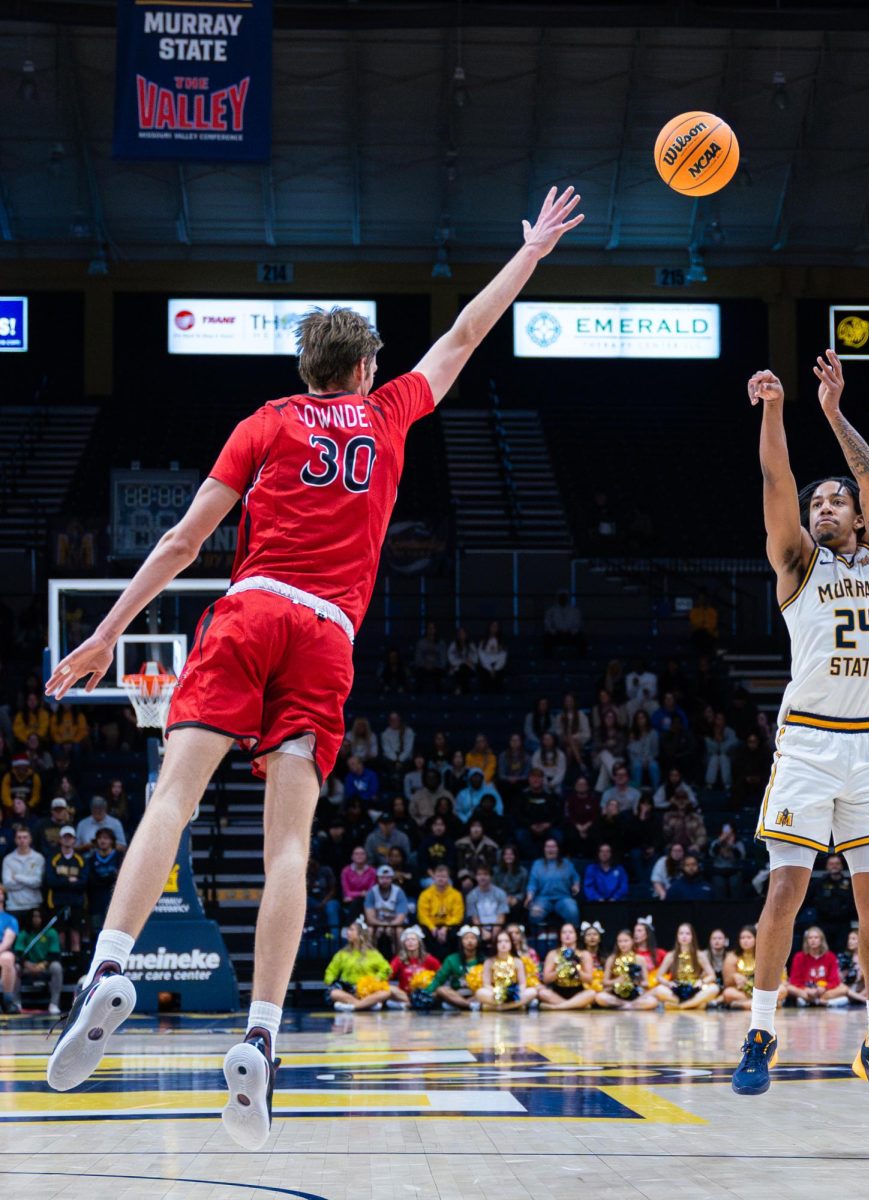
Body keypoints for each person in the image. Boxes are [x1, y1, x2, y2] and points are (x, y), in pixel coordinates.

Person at [41, 185, 585, 1144]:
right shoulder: (389, 414)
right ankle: (259, 1034)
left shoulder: (265, 422)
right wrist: (531, 250)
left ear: (306, 365)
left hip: (250, 610)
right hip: (328, 631)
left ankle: (112, 967)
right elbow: (463, 334)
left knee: (173, 798)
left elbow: (178, 542)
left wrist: (108, 633)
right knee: (287, 846)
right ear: (367, 364)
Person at [732, 352, 869, 1107]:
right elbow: (778, 485)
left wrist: (833, 414)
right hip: (807, 741)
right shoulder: (799, 564)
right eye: (820, 505)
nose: (826, 508)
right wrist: (775, 411)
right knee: (785, 891)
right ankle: (761, 1031)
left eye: (838, 502)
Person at [324, 920, 393, 1012]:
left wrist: (376, 980)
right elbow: (331, 971)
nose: (348, 933)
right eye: (348, 930)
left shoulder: (373, 954)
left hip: (367, 991)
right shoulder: (342, 954)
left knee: (386, 993)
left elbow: (386, 969)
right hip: (348, 990)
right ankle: (366, 1004)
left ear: (361, 935)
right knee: (333, 993)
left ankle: (353, 1006)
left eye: (352, 930)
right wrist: (331, 981)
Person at [652, 922, 720, 1010]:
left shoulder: (699, 955)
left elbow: (712, 975)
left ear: (692, 937)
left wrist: (702, 982)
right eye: (681, 933)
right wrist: (668, 983)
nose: (684, 936)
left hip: (694, 989)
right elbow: (659, 976)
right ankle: (695, 1005)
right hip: (677, 989)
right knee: (659, 990)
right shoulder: (671, 955)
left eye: (687, 934)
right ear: (677, 936)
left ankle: (681, 1006)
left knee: (714, 988)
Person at [13, 907, 64, 1015]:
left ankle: (54, 1004)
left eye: (38, 916)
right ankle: (16, 1003)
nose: (36, 919)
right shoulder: (24, 933)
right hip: (27, 966)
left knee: (57, 967)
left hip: (45, 966)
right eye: (34, 917)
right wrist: (27, 965)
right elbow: (18, 953)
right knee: (16, 967)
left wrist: (42, 965)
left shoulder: (51, 932)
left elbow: (54, 954)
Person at [45, 826, 88, 954]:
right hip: (57, 901)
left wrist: (63, 881)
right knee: (60, 932)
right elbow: (51, 881)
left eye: (70, 837)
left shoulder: (81, 860)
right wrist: (70, 881)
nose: (67, 840)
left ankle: (76, 962)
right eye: (65, 837)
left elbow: (84, 882)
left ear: (74, 840)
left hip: (77, 902)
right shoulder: (53, 858)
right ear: (60, 840)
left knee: (76, 932)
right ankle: (61, 959)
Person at [594, 928, 659, 1011]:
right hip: (616, 994)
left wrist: (637, 982)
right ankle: (624, 1004)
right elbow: (605, 982)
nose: (622, 944)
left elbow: (646, 983)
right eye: (620, 941)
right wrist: (618, 980)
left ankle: (628, 1005)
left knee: (652, 1001)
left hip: (635, 994)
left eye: (626, 941)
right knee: (599, 997)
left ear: (632, 941)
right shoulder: (612, 959)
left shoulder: (640, 959)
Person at [422, 925, 484, 1011]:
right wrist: (426, 993)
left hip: (477, 994)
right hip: (456, 994)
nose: (469, 941)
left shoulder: (484, 960)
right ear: (461, 941)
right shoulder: (451, 959)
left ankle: (460, 1005)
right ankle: (469, 1005)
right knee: (441, 990)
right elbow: (439, 979)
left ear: (478, 941)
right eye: (466, 938)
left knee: (484, 993)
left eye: (473, 938)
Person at [536, 922, 595, 1010]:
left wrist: (576, 969)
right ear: (560, 936)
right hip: (558, 990)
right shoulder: (553, 954)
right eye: (564, 932)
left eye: (570, 932)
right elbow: (546, 979)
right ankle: (576, 1006)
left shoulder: (584, 954)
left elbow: (589, 979)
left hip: (578, 991)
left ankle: (556, 1007)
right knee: (542, 993)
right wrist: (560, 969)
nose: (567, 935)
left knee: (591, 993)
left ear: (576, 936)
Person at [474, 927, 536, 1011]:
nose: (503, 944)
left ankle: (497, 1008)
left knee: (532, 991)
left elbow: (522, 984)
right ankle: (515, 1006)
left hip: (514, 993)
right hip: (495, 993)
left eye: (506, 941)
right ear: (496, 944)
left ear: (511, 944)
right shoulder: (489, 962)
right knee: (480, 992)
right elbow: (486, 984)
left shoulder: (518, 961)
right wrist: (498, 992)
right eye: (500, 941)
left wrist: (516, 993)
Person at [786, 926, 849, 1007]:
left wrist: (824, 988)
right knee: (789, 987)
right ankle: (823, 1002)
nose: (813, 940)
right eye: (810, 938)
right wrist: (806, 989)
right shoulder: (799, 957)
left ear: (821, 940)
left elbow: (834, 980)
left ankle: (811, 1001)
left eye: (816, 937)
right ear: (806, 941)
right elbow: (795, 980)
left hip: (824, 990)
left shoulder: (830, 956)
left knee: (844, 989)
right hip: (806, 989)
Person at [525, 838, 581, 929]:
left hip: (563, 898)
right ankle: (537, 940)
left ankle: (574, 937)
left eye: (553, 847)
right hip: (543, 899)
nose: (550, 849)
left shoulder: (567, 863)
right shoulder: (537, 864)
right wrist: (529, 896)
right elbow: (532, 883)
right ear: (544, 849)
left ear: (558, 849)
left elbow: (575, 877)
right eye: (548, 847)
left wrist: (576, 885)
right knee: (534, 914)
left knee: (572, 911)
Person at [809, 854, 856, 953]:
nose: (834, 866)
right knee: (823, 953)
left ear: (842, 866)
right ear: (826, 866)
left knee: (842, 954)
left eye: (837, 864)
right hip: (823, 924)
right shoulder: (818, 883)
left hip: (843, 925)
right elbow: (807, 901)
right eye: (831, 864)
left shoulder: (851, 884)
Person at [417, 863, 465, 953]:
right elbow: (422, 915)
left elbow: (458, 916)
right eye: (438, 876)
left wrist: (446, 927)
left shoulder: (456, 895)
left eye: (444, 876)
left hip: (449, 925)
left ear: (448, 878)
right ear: (433, 877)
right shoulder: (425, 894)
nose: (441, 879)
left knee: (456, 933)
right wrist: (432, 927)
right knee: (423, 933)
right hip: (431, 925)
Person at [386, 925, 440, 1005]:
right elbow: (388, 975)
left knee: (441, 990)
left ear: (419, 942)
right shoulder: (399, 960)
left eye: (413, 939)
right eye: (407, 940)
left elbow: (441, 975)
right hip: (405, 994)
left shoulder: (429, 959)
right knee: (388, 988)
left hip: (425, 993)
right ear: (404, 944)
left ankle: (416, 1002)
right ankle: (410, 1003)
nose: (410, 942)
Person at [363, 864, 409, 955]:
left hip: (395, 924)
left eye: (387, 878)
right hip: (376, 923)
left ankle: (400, 958)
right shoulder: (372, 892)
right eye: (382, 878)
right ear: (377, 878)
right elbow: (370, 918)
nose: (385, 880)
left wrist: (389, 925)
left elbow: (400, 919)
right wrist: (383, 925)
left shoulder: (399, 892)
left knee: (399, 931)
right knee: (369, 930)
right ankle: (369, 957)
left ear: (392, 879)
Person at [84, 827, 123, 933]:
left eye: (106, 838)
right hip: (96, 901)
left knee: (114, 930)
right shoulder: (91, 859)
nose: (102, 841)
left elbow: (120, 879)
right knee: (96, 931)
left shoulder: (120, 857)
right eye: (100, 838)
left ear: (112, 841)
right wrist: (109, 877)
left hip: (114, 900)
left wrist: (104, 879)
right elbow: (90, 880)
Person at [2, 826, 45, 918]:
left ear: (30, 839)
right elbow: (7, 884)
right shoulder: (8, 859)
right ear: (15, 840)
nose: (22, 840)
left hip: (34, 904)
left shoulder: (38, 858)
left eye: (25, 837)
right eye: (19, 837)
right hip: (13, 906)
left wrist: (17, 877)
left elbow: (38, 882)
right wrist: (29, 881)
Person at [464, 865, 509, 944]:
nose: (482, 877)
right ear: (476, 877)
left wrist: (494, 935)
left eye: (485, 874)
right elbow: (474, 918)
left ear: (490, 876)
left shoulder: (500, 893)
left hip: (498, 929)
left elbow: (501, 917)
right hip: (479, 929)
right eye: (479, 874)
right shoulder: (471, 896)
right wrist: (483, 932)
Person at [543, 592, 586, 658]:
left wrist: (572, 631)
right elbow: (547, 624)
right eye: (561, 597)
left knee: (582, 639)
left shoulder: (575, 611)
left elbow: (578, 624)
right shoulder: (551, 610)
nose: (563, 599)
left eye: (564, 597)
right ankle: (548, 660)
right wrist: (554, 632)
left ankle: (581, 660)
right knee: (546, 640)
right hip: (556, 634)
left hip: (571, 634)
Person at [626, 709, 661, 791]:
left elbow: (655, 752)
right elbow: (631, 753)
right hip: (636, 759)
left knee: (654, 766)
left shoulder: (653, 733)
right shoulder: (632, 734)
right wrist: (640, 761)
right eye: (638, 718)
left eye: (642, 718)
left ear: (646, 719)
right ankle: (636, 791)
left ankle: (656, 791)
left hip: (650, 759)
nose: (641, 720)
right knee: (636, 766)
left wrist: (647, 760)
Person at [493, 845, 528, 924]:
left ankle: (515, 929)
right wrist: (503, 898)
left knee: (517, 907)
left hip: (515, 898)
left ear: (515, 856)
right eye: (506, 854)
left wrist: (515, 898)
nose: (508, 856)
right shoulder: (496, 870)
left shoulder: (523, 872)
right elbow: (494, 889)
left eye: (511, 854)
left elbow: (523, 892)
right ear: (502, 856)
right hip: (500, 898)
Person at [0, 885, 19, 1014]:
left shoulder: (10, 919)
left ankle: (7, 1000)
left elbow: (7, 941)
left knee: (7, 958)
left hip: (1, 951)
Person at [412, 621, 445, 693]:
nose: (431, 630)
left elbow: (443, 660)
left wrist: (434, 665)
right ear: (426, 630)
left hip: (436, 668)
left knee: (439, 677)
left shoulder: (440, 643)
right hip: (423, 668)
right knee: (418, 675)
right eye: (429, 628)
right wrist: (425, 665)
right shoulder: (420, 643)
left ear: (435, 630)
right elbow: (417, 659)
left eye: (432, 628)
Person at [477, 621, 508, 692]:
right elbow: (482, 656)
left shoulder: (502, 642)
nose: (494, 628)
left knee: (499, 680)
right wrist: (490, 669)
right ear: (489, 628)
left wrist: (495, 668)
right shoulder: (483, 642)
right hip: (486, 667)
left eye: (496, 626)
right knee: (484, 678)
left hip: (498, 667)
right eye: (492, 626)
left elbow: (503, 657)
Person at [839, 928, 868, 1003]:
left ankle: (858, 998)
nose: (850, 941)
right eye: (849, 939)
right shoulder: (845, 957)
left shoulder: (867, 958)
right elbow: (840, 978)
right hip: (848, 989)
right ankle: (859, 998)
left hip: (862, 989)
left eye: (853, 939)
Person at [447, 627, 478, 694]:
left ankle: (459, 688)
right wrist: (464, 661)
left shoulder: (471, 645)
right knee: (461, 668)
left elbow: (475, 659)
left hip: (469, 669)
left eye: (463, 633)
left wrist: (467, 662)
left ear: (466, 634)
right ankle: (464, 690)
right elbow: (451, 659)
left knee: (464, 669)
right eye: (460, 633)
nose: (461, 635)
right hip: (456, 668)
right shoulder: (453, 645)